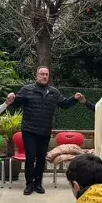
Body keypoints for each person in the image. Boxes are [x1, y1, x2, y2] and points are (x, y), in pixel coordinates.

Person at [10, 67, 84, 196]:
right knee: (30, 157)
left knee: (41, 159)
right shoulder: (27, 89)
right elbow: (16, 104)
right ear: (36, 75)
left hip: (44, 131)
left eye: (46, 74)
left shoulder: (54, 92)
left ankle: (38, 183)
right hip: (29, 130)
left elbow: (64, 104)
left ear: (48, 76)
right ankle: (29, 184)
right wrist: (11, 100)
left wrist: (74, 98)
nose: (44, 76)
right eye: (41, 74)